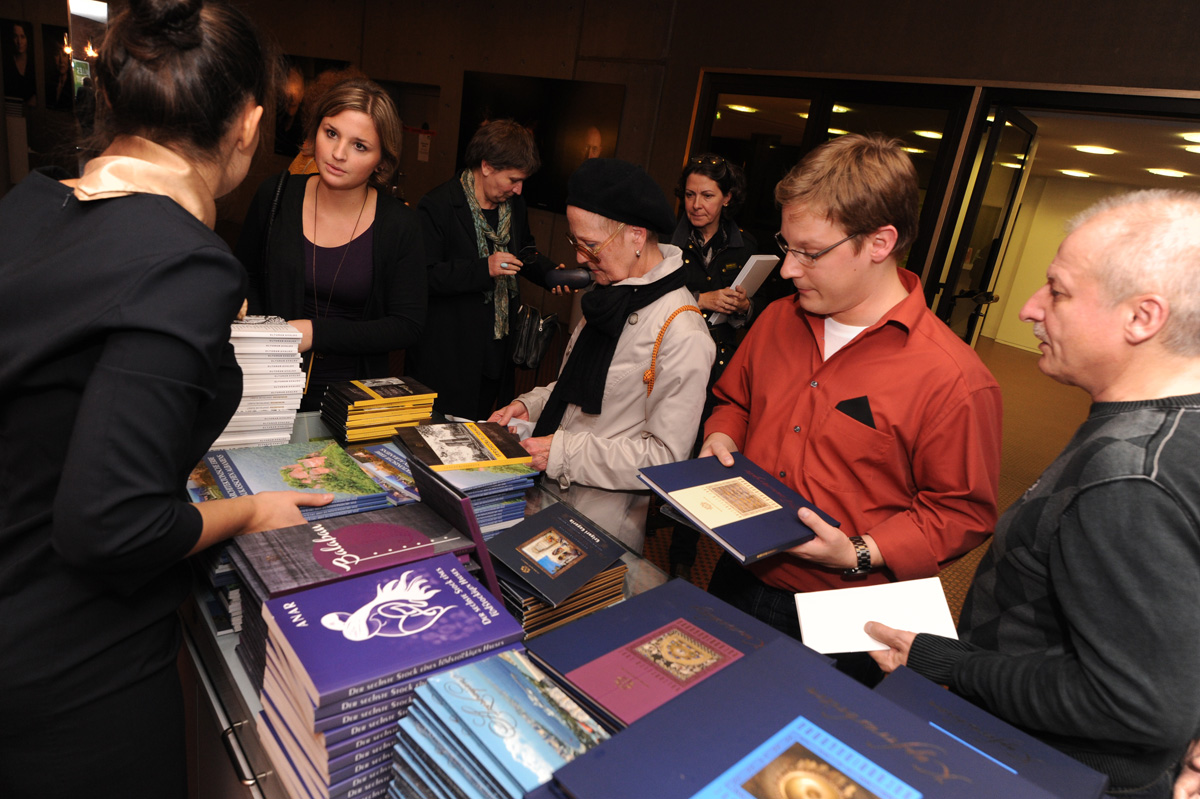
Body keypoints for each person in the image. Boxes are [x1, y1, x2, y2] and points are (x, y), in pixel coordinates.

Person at [0, 1, 331, 795]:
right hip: (72, 671)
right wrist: (251, 511)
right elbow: (111, 523)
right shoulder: (185, 264)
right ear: (249, 124)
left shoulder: (32, 203)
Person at [867, 189, 1200, 799]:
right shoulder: (1171, 432)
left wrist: (946, 664)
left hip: (1050, 769)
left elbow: (1138, 707)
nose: (1028, 308)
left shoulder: (1129, 476)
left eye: (1060, 291)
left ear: (1142, 317)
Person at [701, 133, 1002, 683]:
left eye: (809, 253)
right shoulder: (775, 321)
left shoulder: (952, 378)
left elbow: (962, 513)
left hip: (844, 612)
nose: (788, 269)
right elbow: (734, 401)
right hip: (738, 570)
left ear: (880, 243)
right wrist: (721, 433)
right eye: (786, 246)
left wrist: (860, 552)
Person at [489, 158, 716, 551]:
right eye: (576, 243)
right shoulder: (611, 294)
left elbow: (664, 459)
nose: (579, 257)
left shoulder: (682, 331)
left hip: (601, 525)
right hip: (546, 498)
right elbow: (579, 388)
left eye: (590, 245)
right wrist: (532, 405)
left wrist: (562, 452)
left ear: (636, 235)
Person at [237, 78, 426, 411]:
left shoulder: (399, 224)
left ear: (382, 161)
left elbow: (406, 326)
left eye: (360, 146)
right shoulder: (276, 195)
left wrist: (316, 333)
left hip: (350, 400)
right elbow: (246, 275)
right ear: (315, 132)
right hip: (265, 385)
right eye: (331, 133)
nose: (338, 154)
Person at [407, 119, 563, 420]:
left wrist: (549, 273)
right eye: (513, 179)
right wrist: (483, 269)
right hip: (448, 349)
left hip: (496, 346)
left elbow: (524, 251)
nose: (518, 190)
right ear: (488, 166)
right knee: (439, 431)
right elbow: (424, 276)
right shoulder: (438, 205)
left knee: (479, 424)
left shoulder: (513, 207)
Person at [666, 152, 760, 579]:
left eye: (707, 195)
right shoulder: (665, 241)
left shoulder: (746, 246)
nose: (696, 204)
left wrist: (743, 306)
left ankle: (683, 554)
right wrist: (699, 299)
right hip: (669, 358)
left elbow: (756, 313)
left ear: (727, 198)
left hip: (720, 364)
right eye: (689, 194)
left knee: (703, 458)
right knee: (665, 443)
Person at [2, 20, 36, 106]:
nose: (19, 42)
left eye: (23, 37)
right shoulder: (6, 62)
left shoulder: (34, 63)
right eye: (15, 37)